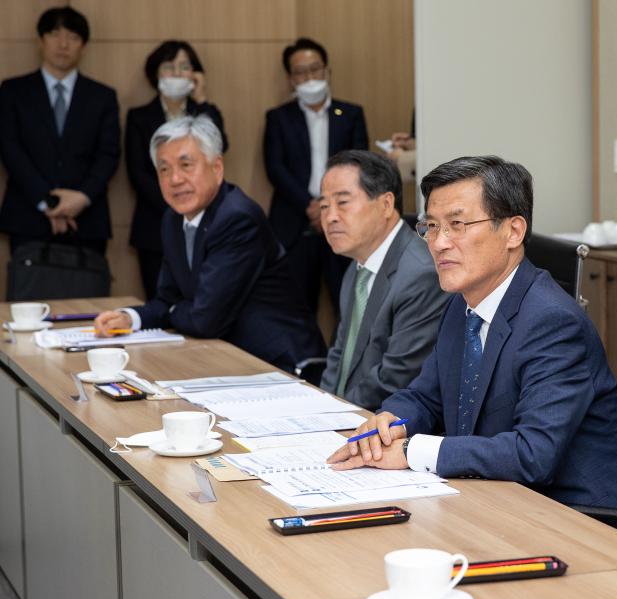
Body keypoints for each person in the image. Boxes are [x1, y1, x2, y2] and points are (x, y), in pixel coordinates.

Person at [326, 155, 617, 517]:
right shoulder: (461, 305)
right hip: (491, 503)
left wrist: (412, 450)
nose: (439, 243)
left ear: (513, 232)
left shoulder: (553, 323)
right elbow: (425, 396)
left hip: (577, 523)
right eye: (431, 226)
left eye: (457, 225)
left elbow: (533, 454)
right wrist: (389, 422)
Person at [94, 116, 325, 373]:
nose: (175, 179)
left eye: (186, 165)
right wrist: (131, 318)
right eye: (164, 169)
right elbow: (168, 298)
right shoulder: (172, 219)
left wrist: (174, 309)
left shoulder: (237, 218)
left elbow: (205, 320)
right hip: (228, 358)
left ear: (217, 168)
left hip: (282, 364)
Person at [318, 150, 447, 410]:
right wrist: (319, 406)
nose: (330, 217)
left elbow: (395, 378)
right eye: (323, 206)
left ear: (386, 204)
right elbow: (339, 357)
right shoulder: (356, 265)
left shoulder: (421, 274)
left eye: (343, 202)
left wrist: (335, 414)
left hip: (381, 420)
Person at [0, 6, 119, 258]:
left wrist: (81, 198)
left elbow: (108, 154)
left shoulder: (103, 96)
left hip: (86, 219)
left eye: (73, 37)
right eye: (55, 34)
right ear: (40, 41)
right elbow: (9, 148)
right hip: (28, 216)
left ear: (83, 46)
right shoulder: (13, 91)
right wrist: (48, 202)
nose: (63, 44)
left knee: (88, 286)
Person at [264, 37, 369, 318]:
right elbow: (275, 168)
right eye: (300, 72)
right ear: (291, 79)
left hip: (345, 219)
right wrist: (312, 206)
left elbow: (359, 164)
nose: (309, 77)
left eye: (315, 69)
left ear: (327, 71)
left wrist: (329, 205)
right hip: (295, 221)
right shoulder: (278, 118)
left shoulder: (350, 114)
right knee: (296, 306)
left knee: (349, 303)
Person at [126, 40, 229, 299]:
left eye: (184, 67)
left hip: (206, 222)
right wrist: (177, 203)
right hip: (154, 224)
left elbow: (219, 146)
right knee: (159, 300)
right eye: (169, 67)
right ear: (155, 73)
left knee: (205, 299)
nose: (176, 73)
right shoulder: (139, 116)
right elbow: (138, 173)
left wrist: (202, 99)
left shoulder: (205, 112)